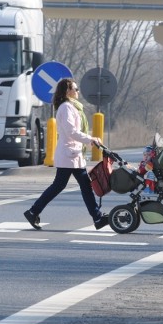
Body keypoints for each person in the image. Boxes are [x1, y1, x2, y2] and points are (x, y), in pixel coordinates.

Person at [24, 78, 109, 230]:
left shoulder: (72, 107)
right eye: (75, 89)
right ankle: (33, 211)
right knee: (63, 186)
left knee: (80, 186)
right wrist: (90, 139)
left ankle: (97, 217)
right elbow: (72, 132)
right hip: (68, 155)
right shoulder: (66, 108)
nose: (77, 92)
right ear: (67, 91)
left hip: (73, 155)